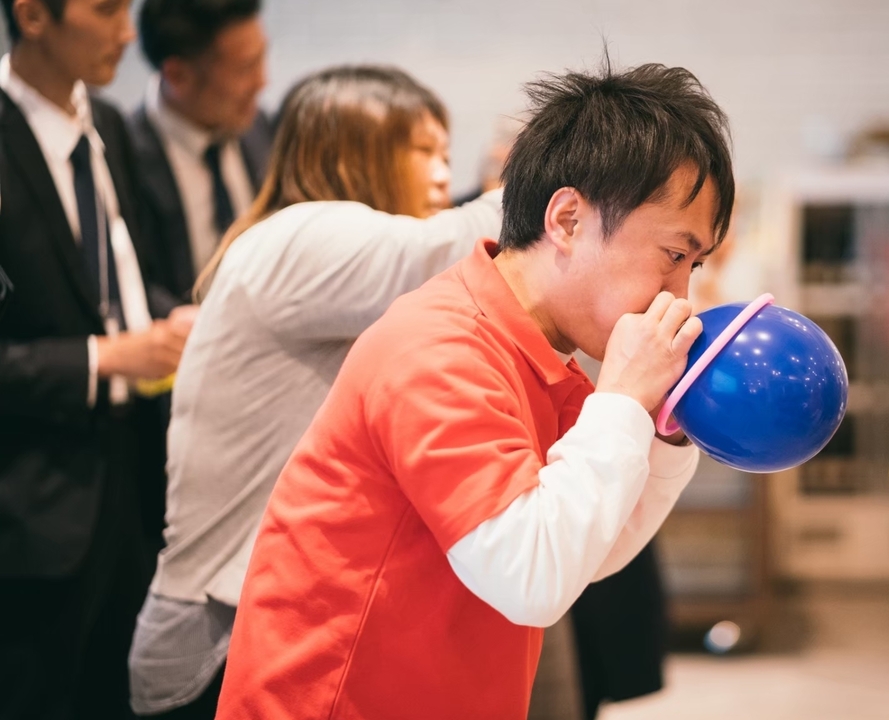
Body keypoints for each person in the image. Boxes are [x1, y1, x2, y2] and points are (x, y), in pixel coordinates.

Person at [215, 59, 735, 719]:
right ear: (567, 220)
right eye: (674, 256)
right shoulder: (440, 347)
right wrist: (624, 402)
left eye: (695, 265)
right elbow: (532, 578)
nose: (680, 296)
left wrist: (664, 432)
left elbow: (589, 553)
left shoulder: (540, 355)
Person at [126, 65, 489, 720]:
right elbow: (450, 249)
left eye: (447, 154)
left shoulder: (315, 256)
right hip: (219, 639)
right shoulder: (299, 238)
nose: (443, 175)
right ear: (356, 152)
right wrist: (565, 179)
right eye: (424, 151)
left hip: (268, 622)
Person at [0, 0, 193, 717]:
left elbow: (128, 280)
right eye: (106, 9)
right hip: (32, 500)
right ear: (33, 16)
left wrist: (174, 318)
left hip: (136, 472)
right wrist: (105, 358)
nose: (126, 31)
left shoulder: (106, 122)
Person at [128, 0, 271, 302]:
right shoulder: (123, 155)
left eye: (262, 57)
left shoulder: (260, 127)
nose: (262, 82)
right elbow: (134, 287)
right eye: (246, 68)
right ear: (178, 75)